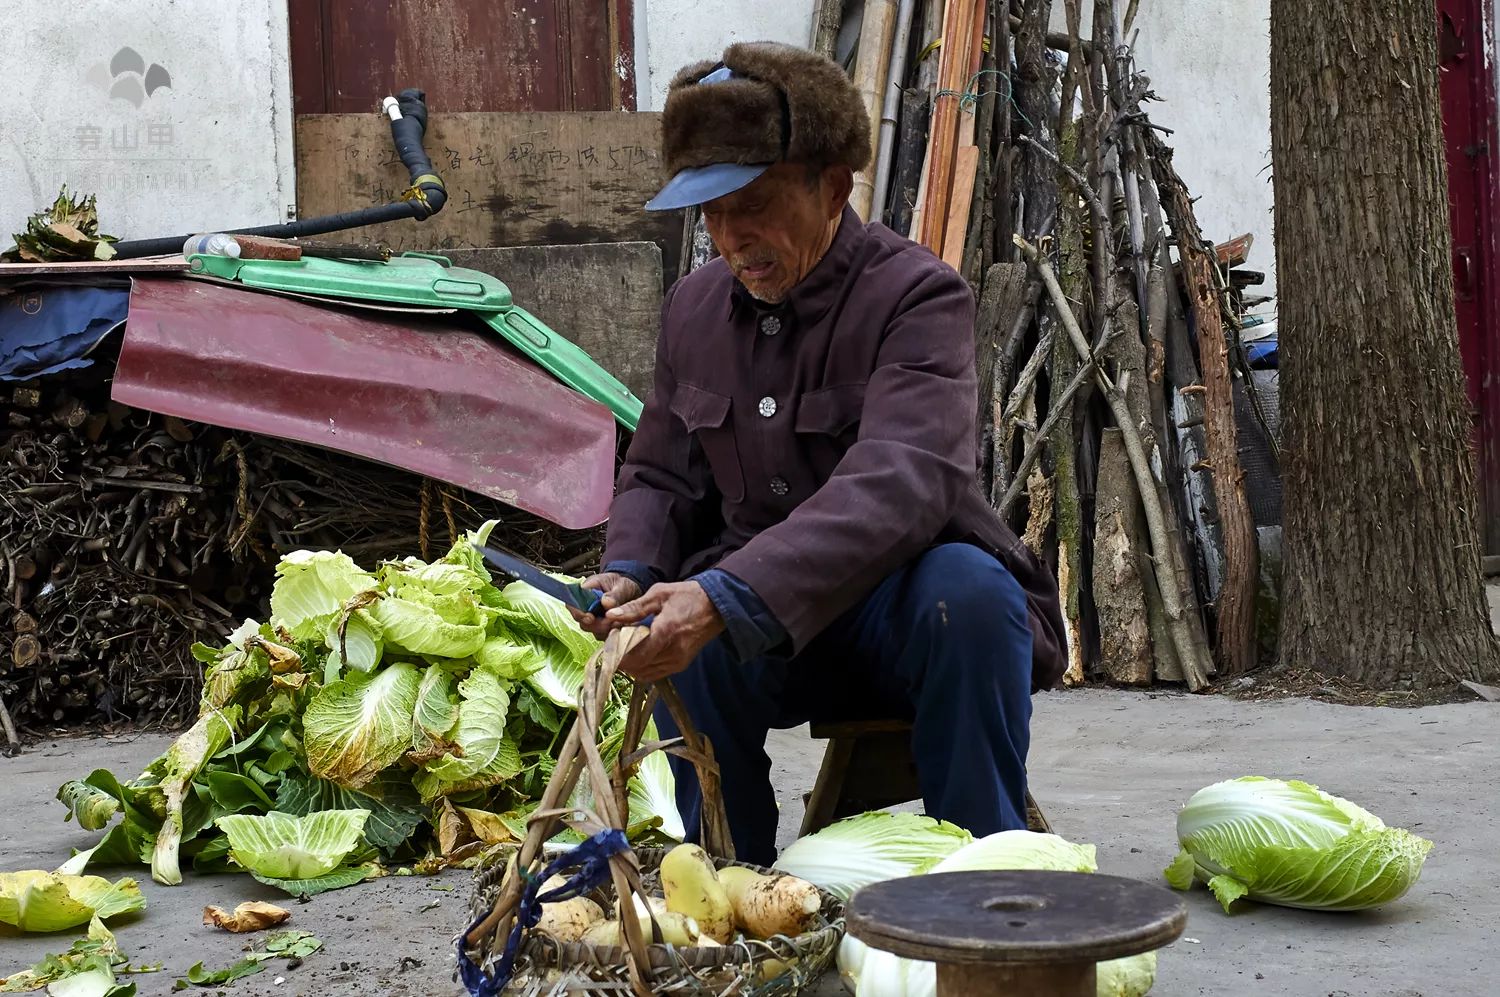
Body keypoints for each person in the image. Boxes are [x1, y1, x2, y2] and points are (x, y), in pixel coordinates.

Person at [571, 41, 1066, 866]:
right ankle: (732, 883)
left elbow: (904, 482)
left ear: (833, 187)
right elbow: (660, 471)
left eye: (754, 203)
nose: (732, 238)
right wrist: (626, 569)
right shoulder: (694, 310)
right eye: (711, 214)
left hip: (901, 620)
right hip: (771, 642)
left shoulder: (916, 295)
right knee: (668, 621)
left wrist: (727, 594)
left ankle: (980, 883)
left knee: (971, 593)